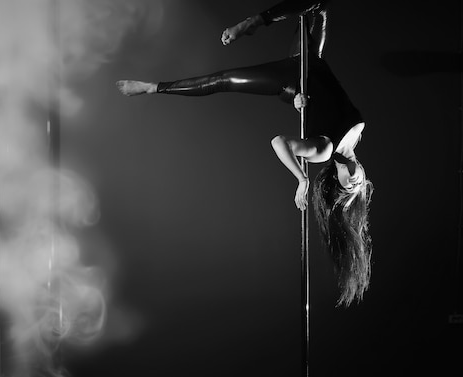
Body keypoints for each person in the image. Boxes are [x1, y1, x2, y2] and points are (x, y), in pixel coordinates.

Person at [116, 0, 373, 307]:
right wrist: (298, 99)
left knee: (222, 80)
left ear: (337, 176)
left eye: (347, 185)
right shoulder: (357, 133)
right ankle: (256, 24)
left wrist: (302, 179)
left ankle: (152, 87)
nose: (355, 182)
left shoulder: (324, 151)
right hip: (311, 63)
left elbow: (280, 142)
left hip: (293, 78)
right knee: (317, 6)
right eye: (358, 187)